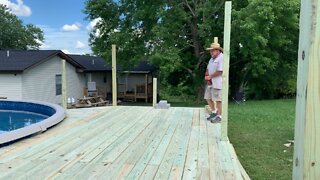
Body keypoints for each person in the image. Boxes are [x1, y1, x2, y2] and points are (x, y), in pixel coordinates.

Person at [204, 37, 223, 123]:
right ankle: (214, 112)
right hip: (210, 82)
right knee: (208, 97)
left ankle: (219, 116)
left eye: (213, 50)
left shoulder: (221, 58)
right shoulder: (211, 59)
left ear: (217, 50)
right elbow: (208, 68)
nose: (211, 52)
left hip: (217, 82)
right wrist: (206, 75)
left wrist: (210, 76)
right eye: (210, 50)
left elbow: (220, 71)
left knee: (218, 100)